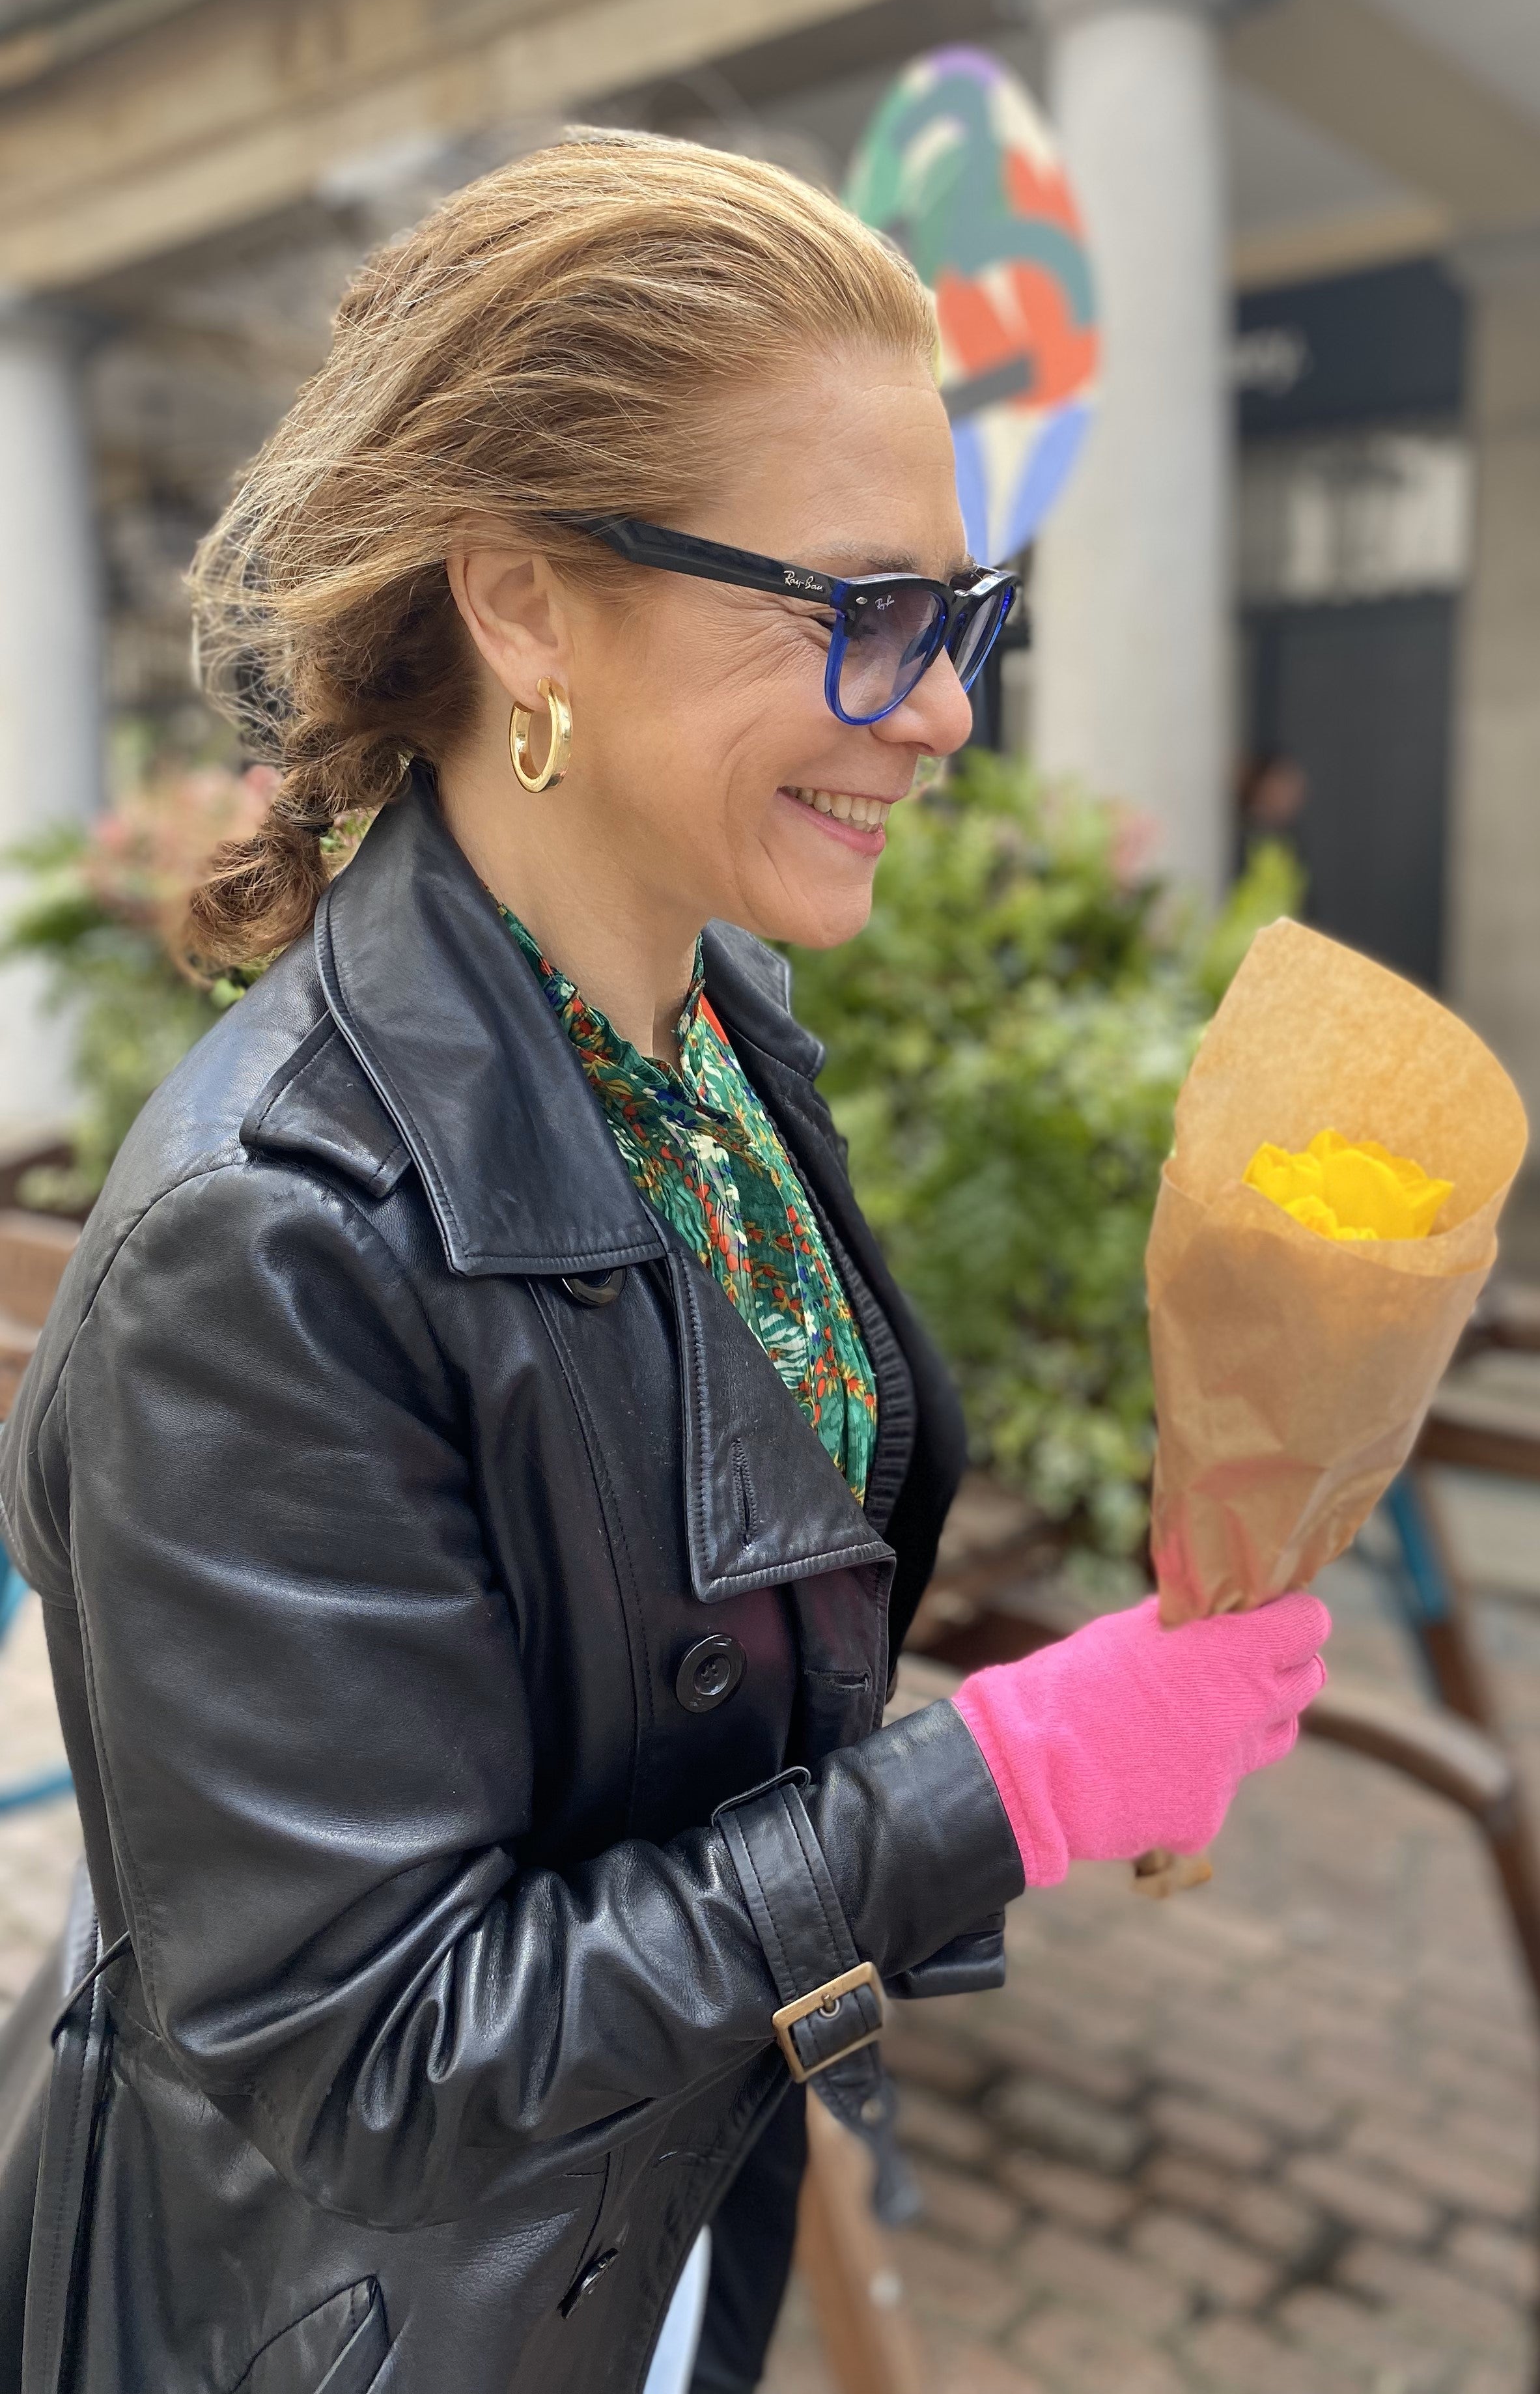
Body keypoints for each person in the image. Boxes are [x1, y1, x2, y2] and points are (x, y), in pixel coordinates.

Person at [0, 134, 1328, 2394]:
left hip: (638, 2243)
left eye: (962, 612)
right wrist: (1008, 1784)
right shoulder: (276, 1240)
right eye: (863, 610)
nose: (943, 709)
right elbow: (377, 2060)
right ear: (523, 602)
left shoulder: (713, 1043)